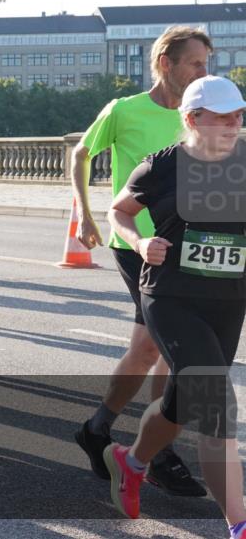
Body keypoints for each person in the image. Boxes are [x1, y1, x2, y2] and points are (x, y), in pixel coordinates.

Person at [101, 76, 246, 538]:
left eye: (238, 115)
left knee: (181, 405)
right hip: (172, 297)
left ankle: (133, 459)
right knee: (217, 403)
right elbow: (118, 211)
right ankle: (239, 524)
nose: (232, 124)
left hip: (228, 302)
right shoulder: (163, 166)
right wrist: (140, 242)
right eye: (221, 116)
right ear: (191, 119)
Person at [72, 26, 211, 496]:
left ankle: (97, 428)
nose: (203, 72)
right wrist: (85, 216)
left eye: (206, 64)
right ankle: (158, 453)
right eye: (195, 63)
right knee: (162, 346)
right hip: (137, 243)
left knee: (148, 348)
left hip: (184, 246)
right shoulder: (124, 110)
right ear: (165, 64)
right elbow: (81, 153)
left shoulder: (197, 116)